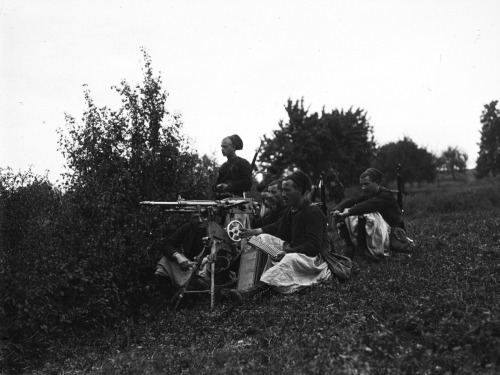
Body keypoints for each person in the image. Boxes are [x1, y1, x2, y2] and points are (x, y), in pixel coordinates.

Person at [222, 170, 331, 302]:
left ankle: (251, 293)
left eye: (287, 190)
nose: (283, 194)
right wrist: (256, 234)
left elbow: (313, 247)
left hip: (313, 260)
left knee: (290, 259)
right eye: (283, 190)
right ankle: (244, 281)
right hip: (294, 250)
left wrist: (287, 251)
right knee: (260, 239)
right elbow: (279, 230)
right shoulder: (291, 210)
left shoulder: (313, 212)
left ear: (300, 191)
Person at [331, 168, 403, 260]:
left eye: (366, 184)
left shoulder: (386, 195)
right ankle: (351, 248)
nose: (363, 187)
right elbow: (353, 200)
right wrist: (337, 210)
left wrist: (348, 212)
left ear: (376, 182)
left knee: (364, 214)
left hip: (394, 235)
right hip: (381, 234)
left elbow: (368, 205)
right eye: (361, 185)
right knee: (350, 211)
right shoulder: (369, 194)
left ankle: (361, 251)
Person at [154, 213, 211, 296]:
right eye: (196, 217)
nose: (200, 220)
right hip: (189, 266)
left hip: (207, 266)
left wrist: (207, 259)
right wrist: (178, 256)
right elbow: (167, 244)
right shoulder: (187, 228)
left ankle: (200, 289)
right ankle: (170, 298)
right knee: (164, 263)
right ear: (190, 219)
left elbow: (222, 251)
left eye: (203, 216)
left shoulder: (213, 228)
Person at [213, 134, 253, 199]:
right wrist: (217, 187)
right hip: (222, 200)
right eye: (222, 147)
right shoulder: (223, 167)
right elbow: (216, 184)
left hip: (237, 202)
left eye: (225, 147)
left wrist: (228, 187)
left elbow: (248, 183)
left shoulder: (243, 163)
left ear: (234, 147)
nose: (222, 149)